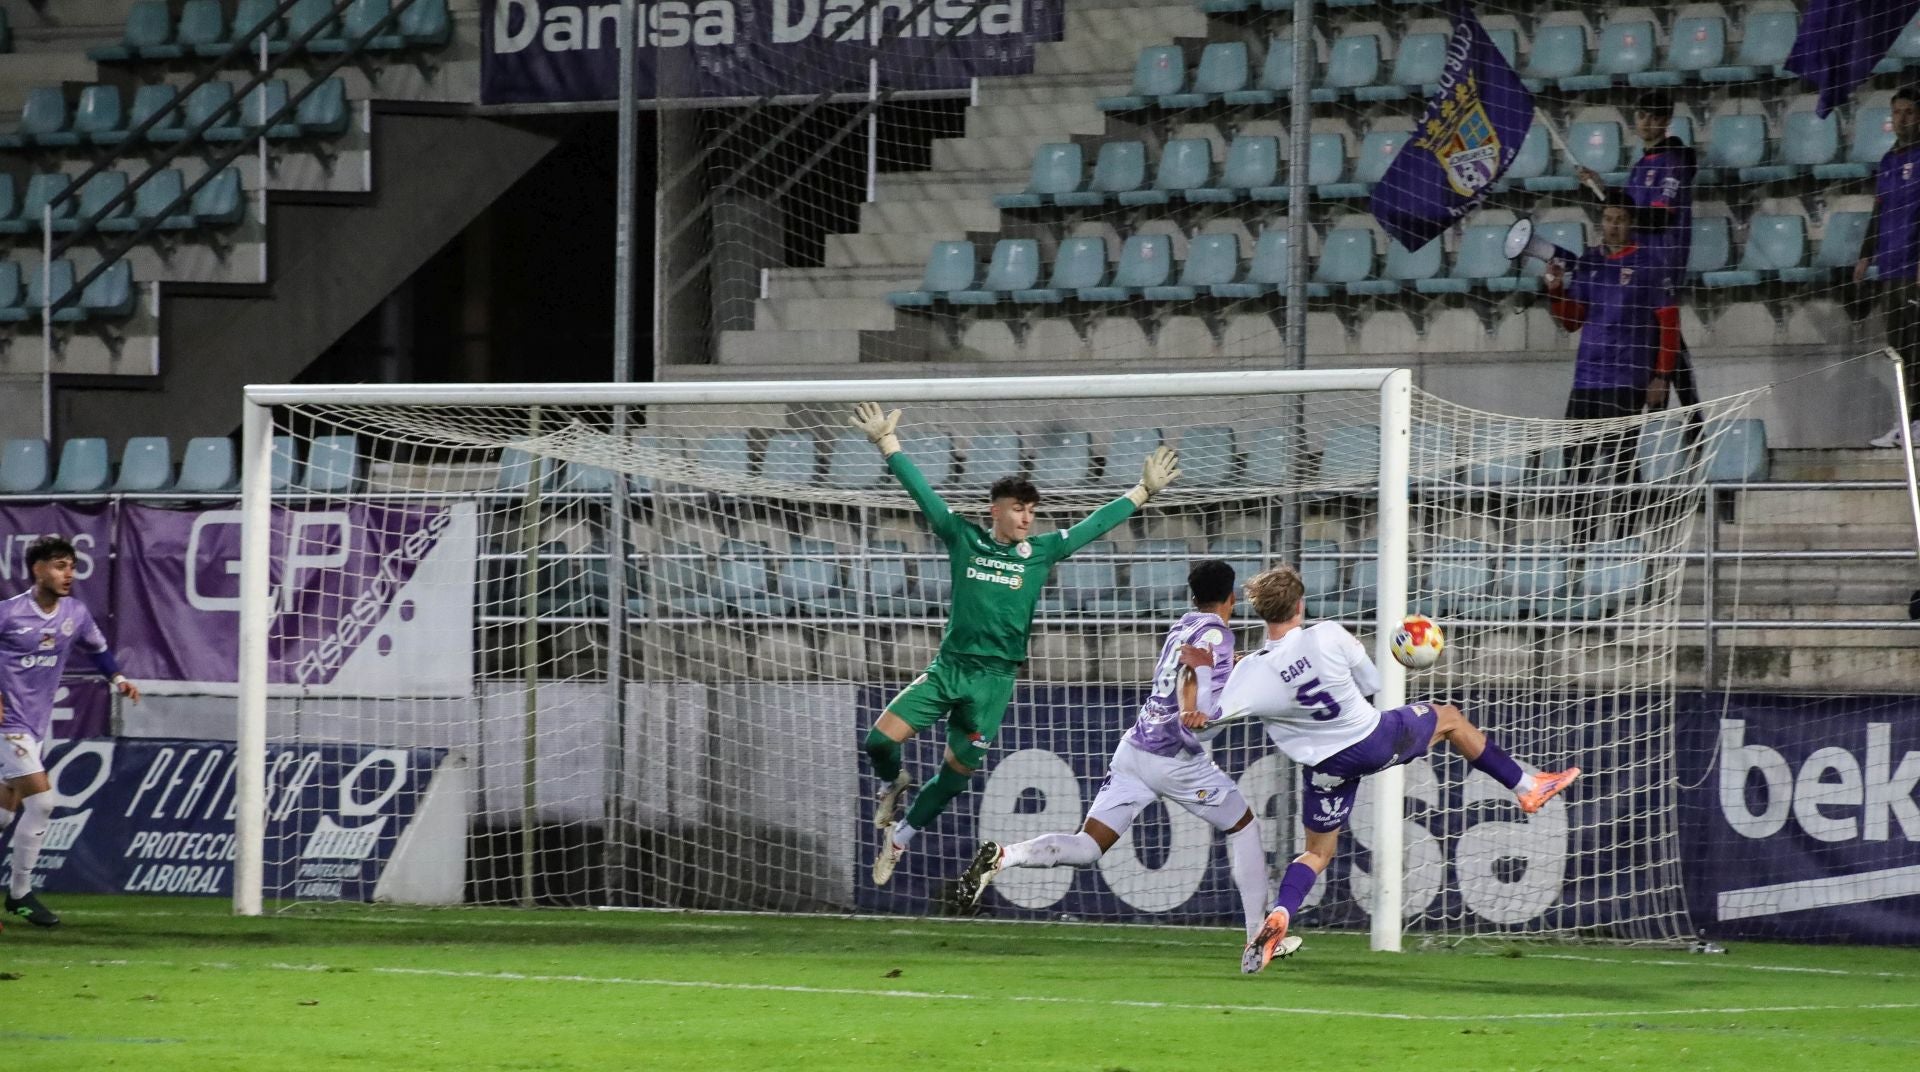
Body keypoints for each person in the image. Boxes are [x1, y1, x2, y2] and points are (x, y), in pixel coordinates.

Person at [849, 403, 1181, 885]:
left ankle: (899, 839)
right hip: (950, 668)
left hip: (995, 682)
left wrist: (1142, 490)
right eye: (1018, 509)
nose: (1026, 518)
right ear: (996, 511)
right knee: (879, 741)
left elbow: (1092, 526)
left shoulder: (1042, 551)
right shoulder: (964, 538)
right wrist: (888, 445)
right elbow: (925, 497)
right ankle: (893, 781)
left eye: (1030, 511)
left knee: (953, 779)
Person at [1220, 565, 1579, 974]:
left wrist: (1241, 670)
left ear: (1261, 614)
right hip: (1371, 740)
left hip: (1324, 768)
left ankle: (1281, 913)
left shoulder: (1251, 671)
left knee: (1316, 852)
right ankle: (1528, 786)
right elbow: (1373, 683)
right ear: (1301, 604)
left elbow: (1210, 716)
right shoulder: (1330, 634)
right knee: (1449, 718)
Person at [953, 560, 1293, 957]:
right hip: (1174, 757)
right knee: (1244, 827)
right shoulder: (1217, 632)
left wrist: (1233, 668)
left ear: (1193, 596)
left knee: (1088, 846)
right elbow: (1193, 669)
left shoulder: (1182, 624)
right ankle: (1259, 937)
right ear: (1232, 598)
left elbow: (1200, 664)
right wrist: (1191, 710)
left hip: (1134, 750)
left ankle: (1005, 856)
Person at [0, 536, 142, 928]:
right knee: (42, 804)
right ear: (38, 568)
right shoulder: (8, 614)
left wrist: (118, 678)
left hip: (35, 724)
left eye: (72, 566)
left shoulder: (74, 614)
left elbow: (96, 648)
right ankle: (20, 895)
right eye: (60, 565)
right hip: (7, 723)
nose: (69, 574)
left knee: (2, 816)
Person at [1544, 190, 1683, 544]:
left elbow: (1669, 323)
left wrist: (1662, 375)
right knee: (1576, 463)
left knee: (1621, 462)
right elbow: (1573, 322)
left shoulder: (1650, 263)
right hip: (1587, 378)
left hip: (1627, 378)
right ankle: (1581, 541)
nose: (1613, 225)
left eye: (1620, 219)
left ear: (1631, 222)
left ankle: (1624, 541)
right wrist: (1557, 290)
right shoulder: (1590, 262)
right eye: (1608, 219)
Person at [1578, 90, 1700, 419]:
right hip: (1639, 259)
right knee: (1660, 336)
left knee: (1663, 330)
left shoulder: (1673, 162)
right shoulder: (1639, 165)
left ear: (1666, 121)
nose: (1646, 122)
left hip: (1661, 258)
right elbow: (1626, 212)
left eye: (1654, 117)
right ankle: (1691, 419)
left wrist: (1619, 206)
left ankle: (1692, 418)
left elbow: (1661, 216)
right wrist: (1600, 189)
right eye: (1642, 115)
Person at [1858, 86, 1920, 448]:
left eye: (1909, 112)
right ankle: (1904, 422)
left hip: (1914, 266)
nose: (1901, 119)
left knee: (1916, 347)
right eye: (1897, 113)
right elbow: (1880, 210)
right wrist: (1866, 254)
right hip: (1890, 268)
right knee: (1897, 348)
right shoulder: (1888, 161)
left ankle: (1916, 422)